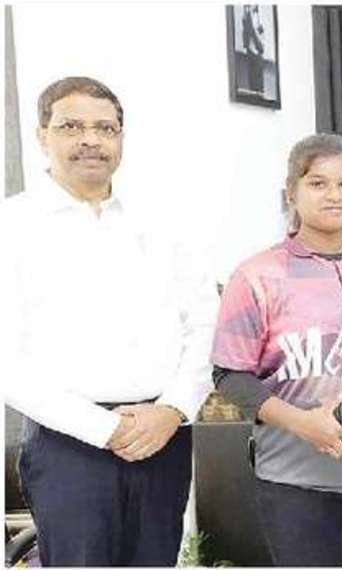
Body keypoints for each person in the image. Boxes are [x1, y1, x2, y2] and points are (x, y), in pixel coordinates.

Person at [0, 76, 217, 566]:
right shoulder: (12, 226)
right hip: (69, 444)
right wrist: (104, 428)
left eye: (105, 128)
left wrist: (174, 408)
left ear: (121, 137)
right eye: (72, 126)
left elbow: (205, 321)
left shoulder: (162, 221)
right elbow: (5, 358)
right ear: (42, 135)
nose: (91, 140)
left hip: (164, 435)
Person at [212, 134, 342, 566]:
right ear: (291, 192)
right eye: (318, 183)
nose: (334, 195)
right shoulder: (257, 275)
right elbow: (230, 375)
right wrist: (303, 424)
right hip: (295, 478)